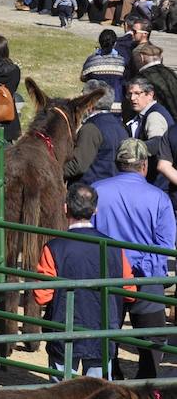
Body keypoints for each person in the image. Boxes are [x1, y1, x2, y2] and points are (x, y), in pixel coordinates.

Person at [33, 182, 135, 380]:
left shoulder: (53, 248)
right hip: (101, 333)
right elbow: (130, 291)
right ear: (95, 210)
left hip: (64, 332)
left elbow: (41, 295)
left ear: (65, 208)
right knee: (96, 398)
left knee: (61, 396)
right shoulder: (114, 247)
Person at [93, 139, 175, 380]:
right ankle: (147, 390)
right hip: (146, 279)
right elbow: (165, 246)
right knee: (153, 342)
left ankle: (111, 380)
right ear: (144, 165)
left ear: (118, 164)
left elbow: (88, 234)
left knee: (105, 336)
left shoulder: (96, 190)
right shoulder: (159, 198)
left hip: (108, 277)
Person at [65, 80, 126, 185]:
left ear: (89, 104)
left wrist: (51, 170)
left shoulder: (91, 128)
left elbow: (77, 165)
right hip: (113, 187)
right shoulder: (120, 126)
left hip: (89, 191)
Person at [81, 29, 128, 109]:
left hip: (95, 105)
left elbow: (83, 77)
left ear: (100, 43)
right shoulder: (122, 61)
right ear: (115, 43)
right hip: (116, 105)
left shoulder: (92, 60)